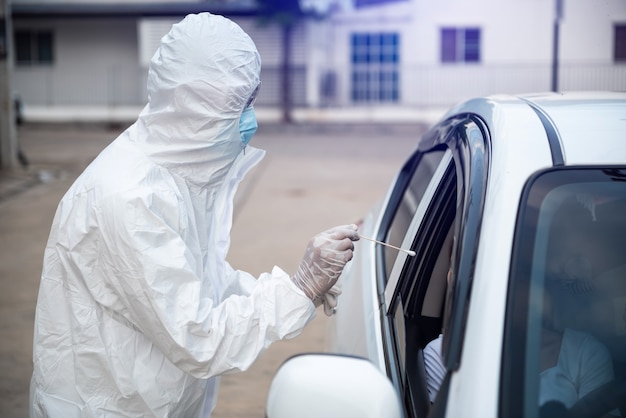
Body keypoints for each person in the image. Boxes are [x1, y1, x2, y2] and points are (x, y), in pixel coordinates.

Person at [29, 13, 359, 418]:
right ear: (194, 105)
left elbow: (204, 286)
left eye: (250, 100)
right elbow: (197, 336)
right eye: (237, 105)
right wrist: (300, 290)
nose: (249, 119)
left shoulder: (178, 174)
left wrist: (292, 289)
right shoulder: (128, 196)